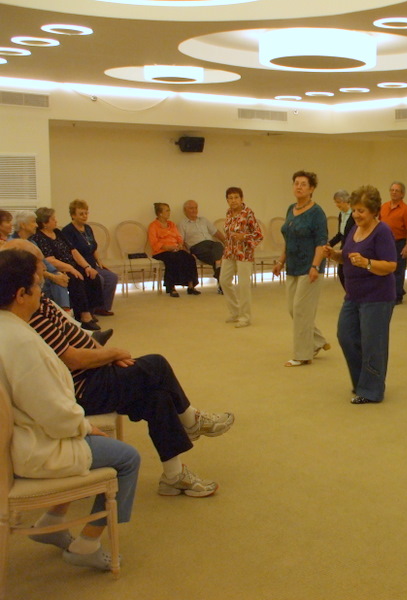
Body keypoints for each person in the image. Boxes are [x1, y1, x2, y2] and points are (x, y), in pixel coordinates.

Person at [6, 239, 234, 497]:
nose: (43, 270)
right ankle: (191, 421)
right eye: (37, 265)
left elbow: (75, 337)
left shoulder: (37, 301)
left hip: (93, 372)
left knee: (158, 397)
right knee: (156, 364)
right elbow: (72, 359)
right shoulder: (29, 314)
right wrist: (111, 354)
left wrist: (106, 356)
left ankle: (174, 476)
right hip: (83, 388)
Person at [0, 248, 140, 571]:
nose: (41, 291)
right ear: (21, 295)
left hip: (23, 437)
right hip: (34, 446)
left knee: (99, 444)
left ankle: (53, 520)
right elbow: (53, 412)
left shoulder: (9, 328)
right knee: (127, 458)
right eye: (37, 285)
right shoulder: (21, 342)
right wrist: (84, 427)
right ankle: (87, 545)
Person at [323, 185, 397, 404]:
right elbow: (348, 256)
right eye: (354, 210)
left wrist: (367, 263)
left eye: (361, 211)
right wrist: (334, 254)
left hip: (377, 297)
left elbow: (390, 265)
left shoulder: (382, 231)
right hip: (353, 296)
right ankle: (361, 382)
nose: (356, 214)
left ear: (373, 211)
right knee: (346, 336)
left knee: (373, 343)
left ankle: (372, 390)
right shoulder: (354, 229)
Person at [273, 170, 330, 367]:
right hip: (292, 266)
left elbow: (321, 242)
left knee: (300, 310)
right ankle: (317, 341)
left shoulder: (317, 213)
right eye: (296, 183)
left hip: (310, 267)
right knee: (294, 309)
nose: (299, 187)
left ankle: (302, 355)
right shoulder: (291, 208)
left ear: (311, 189)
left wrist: (315, 266)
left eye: (303, 184)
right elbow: (288, 239)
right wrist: (280, 261)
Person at [31, 207, 104, 330]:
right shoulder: (39, 237)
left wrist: (87, 266)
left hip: (71, 265)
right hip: (58, 269)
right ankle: (84, 316)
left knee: (92, 275)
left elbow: (73, 251)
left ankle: (90, 311)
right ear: (44, 223)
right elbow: (50, 260)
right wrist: (70, 268)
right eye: (53, 219)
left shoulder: (58, 232)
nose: (56, 221)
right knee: (76, 279)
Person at [61, 199, 118, 316]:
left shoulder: (87, 228)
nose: (84, 216)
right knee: (99, 279)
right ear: (73, 215)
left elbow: (93, 247)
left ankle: (102, 307)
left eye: (86, 213)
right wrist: (87, 266)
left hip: (92, 264)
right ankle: (90, 309)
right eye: (81, 214)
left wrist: (99, 262)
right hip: (79, 266)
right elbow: (73, 252)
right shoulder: (67, 231)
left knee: (112, 277)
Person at [220, 187, 263, 327]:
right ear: (227, 200)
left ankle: (245, 317)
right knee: (224, 281)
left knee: (243, 285)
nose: (233, 201)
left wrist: (244, 236)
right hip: (229, 252)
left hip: (244, 253)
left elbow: (258, 235)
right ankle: (235, 311)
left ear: (241, 199)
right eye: (230, 198)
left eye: (236, 197)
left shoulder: (248, 213)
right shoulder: (228, 213)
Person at [13, 210, 71, 309]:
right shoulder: (14, 244)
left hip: (42, 276)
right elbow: (29, 269)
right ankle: (63, 313)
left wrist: (57, 273)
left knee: (60, 278)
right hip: (28, 280)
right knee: (56, 282)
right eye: (33, 222)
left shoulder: (32, 242)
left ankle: (64, 312)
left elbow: (44, 262)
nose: (36, 225)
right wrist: (53, 276)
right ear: (23, 225)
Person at [147, 202, 200, 298]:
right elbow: (153, 243)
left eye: (169, 210)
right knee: (172, 259)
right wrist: (167, 247)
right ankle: (171, 287)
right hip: (161, 252)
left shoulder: (171, 224)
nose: (169, 212)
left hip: (175, 249)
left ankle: (191, 286)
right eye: (167, 211)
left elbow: (179, 237)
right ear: (160, 213)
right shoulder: (153, 226)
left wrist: (179, 244)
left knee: (190, 258)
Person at [179, 199, 225, 294]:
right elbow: (181, 241)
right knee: (220, 257)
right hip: (197, 247)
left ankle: (218, 270)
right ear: (185, 210)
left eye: (196, 208)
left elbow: (216, 232)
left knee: (219, 245)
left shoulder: (204, 220)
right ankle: (221, 283)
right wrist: (187, 253)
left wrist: (226, 241)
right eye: (191, 208)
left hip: (211, 244)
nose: (194, 210)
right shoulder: (182, 224)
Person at [379, 181, 407, 304]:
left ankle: (397, 296)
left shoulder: (406, 210)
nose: (394, 192)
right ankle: (386, 293)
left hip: (399, 243)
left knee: (398, 270)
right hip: (384, 242)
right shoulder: (384, 206)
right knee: (384, 268)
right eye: (392, 190)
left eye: (397, 190)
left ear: (402, 194)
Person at [328, 189, 355, 289]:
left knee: (350, 273)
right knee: (341, 273)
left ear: (345, 201)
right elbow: (340, 234)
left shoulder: (354, 214)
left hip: (352, 248)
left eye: (338, 202)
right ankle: (349, 294)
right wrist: (329, 244)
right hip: (344, 247)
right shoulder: (341, 214)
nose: (337, 205)